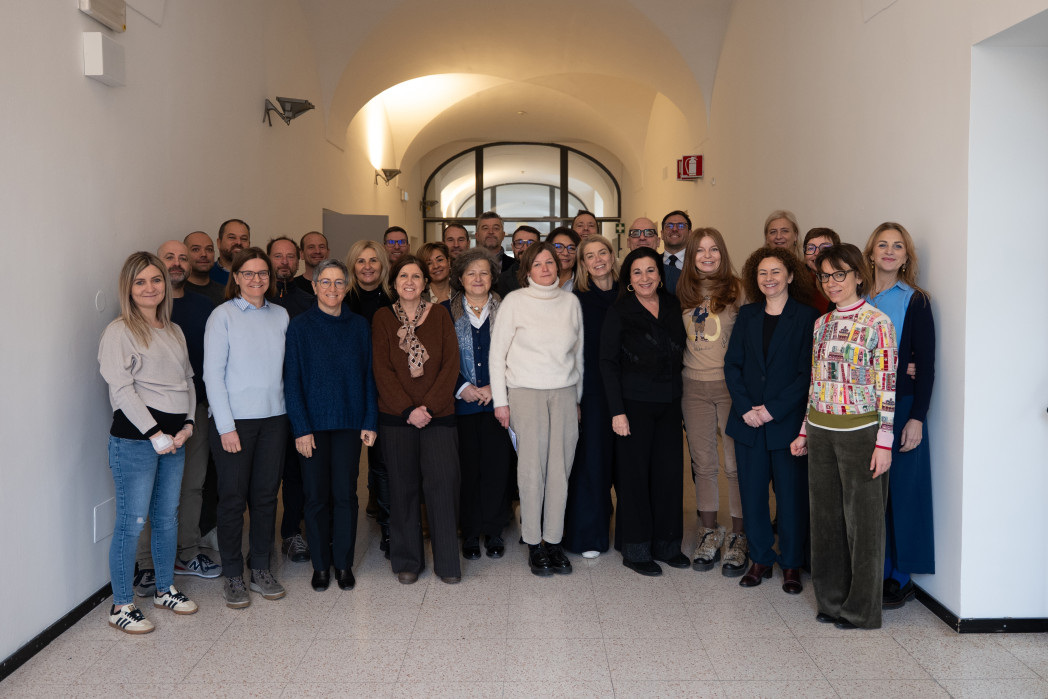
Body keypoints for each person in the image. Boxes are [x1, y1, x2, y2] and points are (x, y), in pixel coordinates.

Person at [790, 243, 897, 630]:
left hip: (860, 434)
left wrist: (884, 442)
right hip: (821, 431)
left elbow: (887, 384)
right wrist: (804, 430)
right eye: (825, 276)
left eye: (839, 274)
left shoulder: (878, 322)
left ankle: (862, 610)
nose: (831, 282)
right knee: (825, 522)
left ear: (858, 275)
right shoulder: (821, 323)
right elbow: (817, 380)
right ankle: (831, 600)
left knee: (863, 525)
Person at [99, 252, 199, 634]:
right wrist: (155, 435)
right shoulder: (119, 331)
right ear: (128, 288)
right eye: (140, 282)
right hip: (137, 442)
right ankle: (121, 605)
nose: (149, 287)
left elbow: (188, 382)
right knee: (132, 522)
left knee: (167, 518)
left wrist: (187, 426)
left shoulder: (173, 331)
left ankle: (164, 589)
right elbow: (122, 390)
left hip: (175, 441)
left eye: (156, 280)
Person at [724, 248, 819, 593]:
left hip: (786, 424)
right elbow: (732, 365)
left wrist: (771, 410)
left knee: (791, 498)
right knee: (752, 496)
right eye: (762, 273)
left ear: (790, 275)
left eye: (776, 271)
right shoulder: (748, 315)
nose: (769, 279)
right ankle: (761, 558)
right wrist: (746, 408)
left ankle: (791, 563)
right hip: (748, 423)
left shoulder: (807, 317)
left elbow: (807, 373)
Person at [131, 242, 220, 598]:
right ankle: (147, 565)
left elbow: (194, 370)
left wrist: (195, 414)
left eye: (184, 257)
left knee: (193, 484)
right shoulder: (136, 319)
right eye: (170, 257)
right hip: (148, 418)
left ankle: (187, 552)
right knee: (149, 491)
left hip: (193, 410)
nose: (178, 263)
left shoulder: (203, 307)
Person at [490, 242, 584, 577]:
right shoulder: (515, 302)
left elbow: (578, 355)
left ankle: (554, 541)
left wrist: (577, 399)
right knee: (531, 471)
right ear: (527, 270)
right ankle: (533, 542)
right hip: (525, 394)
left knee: (561, 470)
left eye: (550, 262)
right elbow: (497, 355)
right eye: (538, 263)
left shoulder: (571, 303)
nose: (545, 268)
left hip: (564, 394)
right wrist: (500, 402)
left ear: (558, 267)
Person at [204, 247, 290, 609]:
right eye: (249, 273)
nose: (257, 279)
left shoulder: (281, 315)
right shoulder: (222, 316)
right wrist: (226, 426)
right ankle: (232, 574)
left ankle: (261, 569)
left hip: (274, 419)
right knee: (233, 500)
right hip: (234, 422)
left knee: (266, 498)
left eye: (263, 273)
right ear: (236, 278)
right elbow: (212, 375)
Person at [284, 259, 378, 592]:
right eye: (325, 282)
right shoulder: (300, 327)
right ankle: (321, 566)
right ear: (314, 286)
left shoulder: (359, 326)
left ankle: (344, 564)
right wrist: (300, 428)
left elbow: (369, 376)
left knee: (345, 495)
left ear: (347, 287)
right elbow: (292, 381)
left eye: (339, 282)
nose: (332, 288)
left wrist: (369, 420)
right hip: (312, 427)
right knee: (315, 497)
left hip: (349, 424)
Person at [372, 255, 462, 585]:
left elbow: (451, 365)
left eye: (416, 276)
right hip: (397, 419)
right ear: (394, 283)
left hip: (439, 417)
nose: (409, 282)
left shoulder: (440, 314)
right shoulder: (382, 318)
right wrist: (408, 410)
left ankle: (447, 563)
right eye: (403, 276)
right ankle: (408, 560)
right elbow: (382, 369)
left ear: (425, 283)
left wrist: (429, 408)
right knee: (403, 489)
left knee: (443, 487)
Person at [601, 248, 688, 576]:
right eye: (637, 272)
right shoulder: (619, 311)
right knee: (635, 478)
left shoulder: (673, 305)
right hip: (633, 405)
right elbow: (607, 363)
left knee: (669, 475)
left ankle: (667, 545)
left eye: (650, 270)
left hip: (670, 403)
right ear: (628, 278)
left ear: (660, 275)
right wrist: (617, 411)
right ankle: (635, 550)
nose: (645, 278)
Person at [864, 222, 935, 609]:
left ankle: (900, 577)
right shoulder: (854, 296)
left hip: (903, 405)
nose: (889, 251)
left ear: (906, 257)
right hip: (861, 407)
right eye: (882, 245)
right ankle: (873, 568)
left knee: (902, 493)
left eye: (897, 246)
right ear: (871, 253)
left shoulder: (915, 300)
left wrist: (917, 418)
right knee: (870, 492)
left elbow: (925, 365)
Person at [675, 227, 748, 575]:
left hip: (730, 387)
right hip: (693, 386)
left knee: (734, 464)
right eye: (700, 250)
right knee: (703, 463)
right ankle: (708, 531)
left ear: (722, 253)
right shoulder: (681, 291)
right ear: (691, 256)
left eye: (714, 249)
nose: (707, 256)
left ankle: (738, 535)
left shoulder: (739, 289)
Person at [445, 249, 513, 560]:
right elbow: (440, 358)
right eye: (471, 273)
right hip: (462, 405)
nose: (477, 278)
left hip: (499, 403)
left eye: (484, 272)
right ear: (460, 278)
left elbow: (518, 353)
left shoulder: (508, 310)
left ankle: (494, 529)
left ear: (492, 277)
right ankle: (471, 531)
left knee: (497, 468)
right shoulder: (444, 312)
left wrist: (494, 387)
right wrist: (462, 387)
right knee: (467, 469)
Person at [562, 235, 619, 559]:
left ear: (612, 256)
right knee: (592, 463)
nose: (598, 260)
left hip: (630, 391)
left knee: (627, 464)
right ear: (582, 264)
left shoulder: (630, 293)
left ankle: (633, 537)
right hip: (593, 391)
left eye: (602, 253)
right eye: (590, 256)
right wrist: (575, 398)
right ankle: (589, 535)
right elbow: (570, 353)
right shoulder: (577, 302)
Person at [265, 236, 313, 564]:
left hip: (298, 400)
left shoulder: (310, 302)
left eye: (290, 256)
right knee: (266, 475)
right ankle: (260, 540)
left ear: (298, 261)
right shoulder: (256, 300)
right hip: (263, 403)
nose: (284, 261)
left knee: (296, 472)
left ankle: (291, 533)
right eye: (277, 256)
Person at [345, 240, 394, 555]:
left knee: (383, 464)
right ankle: (343, 535)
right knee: (347, 466)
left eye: (373, 260)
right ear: (352, 265)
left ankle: (389, 530)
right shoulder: (341, 298)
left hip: (384, 392)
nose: (367, 266)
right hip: (348, 393)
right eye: (361, 261)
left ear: (383, 265)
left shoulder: (394, 299)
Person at [802, 228, 840, 314]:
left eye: (824, 248)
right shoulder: (794, 283)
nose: (817, 253)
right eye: (810, 248)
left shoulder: (846, 281)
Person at [496, 225, 541, 297]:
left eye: (531, 243)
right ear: (513, 247)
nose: (525, 248)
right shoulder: (502, 280)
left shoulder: (549, 274)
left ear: (539, 247)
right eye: (519, 243)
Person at [184, 231, 225, 306]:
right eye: (196, 249)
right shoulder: (177, 292)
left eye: (209, 249)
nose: (204, 254)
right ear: (184, 254)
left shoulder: (225, 293)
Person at [211, 219, 251, 285]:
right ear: (219, 243)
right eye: (232, 237)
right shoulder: (206, 275)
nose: (238, 242)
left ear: (249, 244)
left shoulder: (258, 275)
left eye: (244, 239)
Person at [660, 210, 691, 293]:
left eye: (681, 226)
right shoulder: (653, 262)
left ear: (690, 234)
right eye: (669, 226)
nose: (674, 229)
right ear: (662, 234)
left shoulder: (698, 264)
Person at [294, 231, 329, 295]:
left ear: (328, 253)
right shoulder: (292, 287)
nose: (317, 251)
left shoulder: (339, 286)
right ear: (301, 254)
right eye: (311, 247)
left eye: (321, 247)